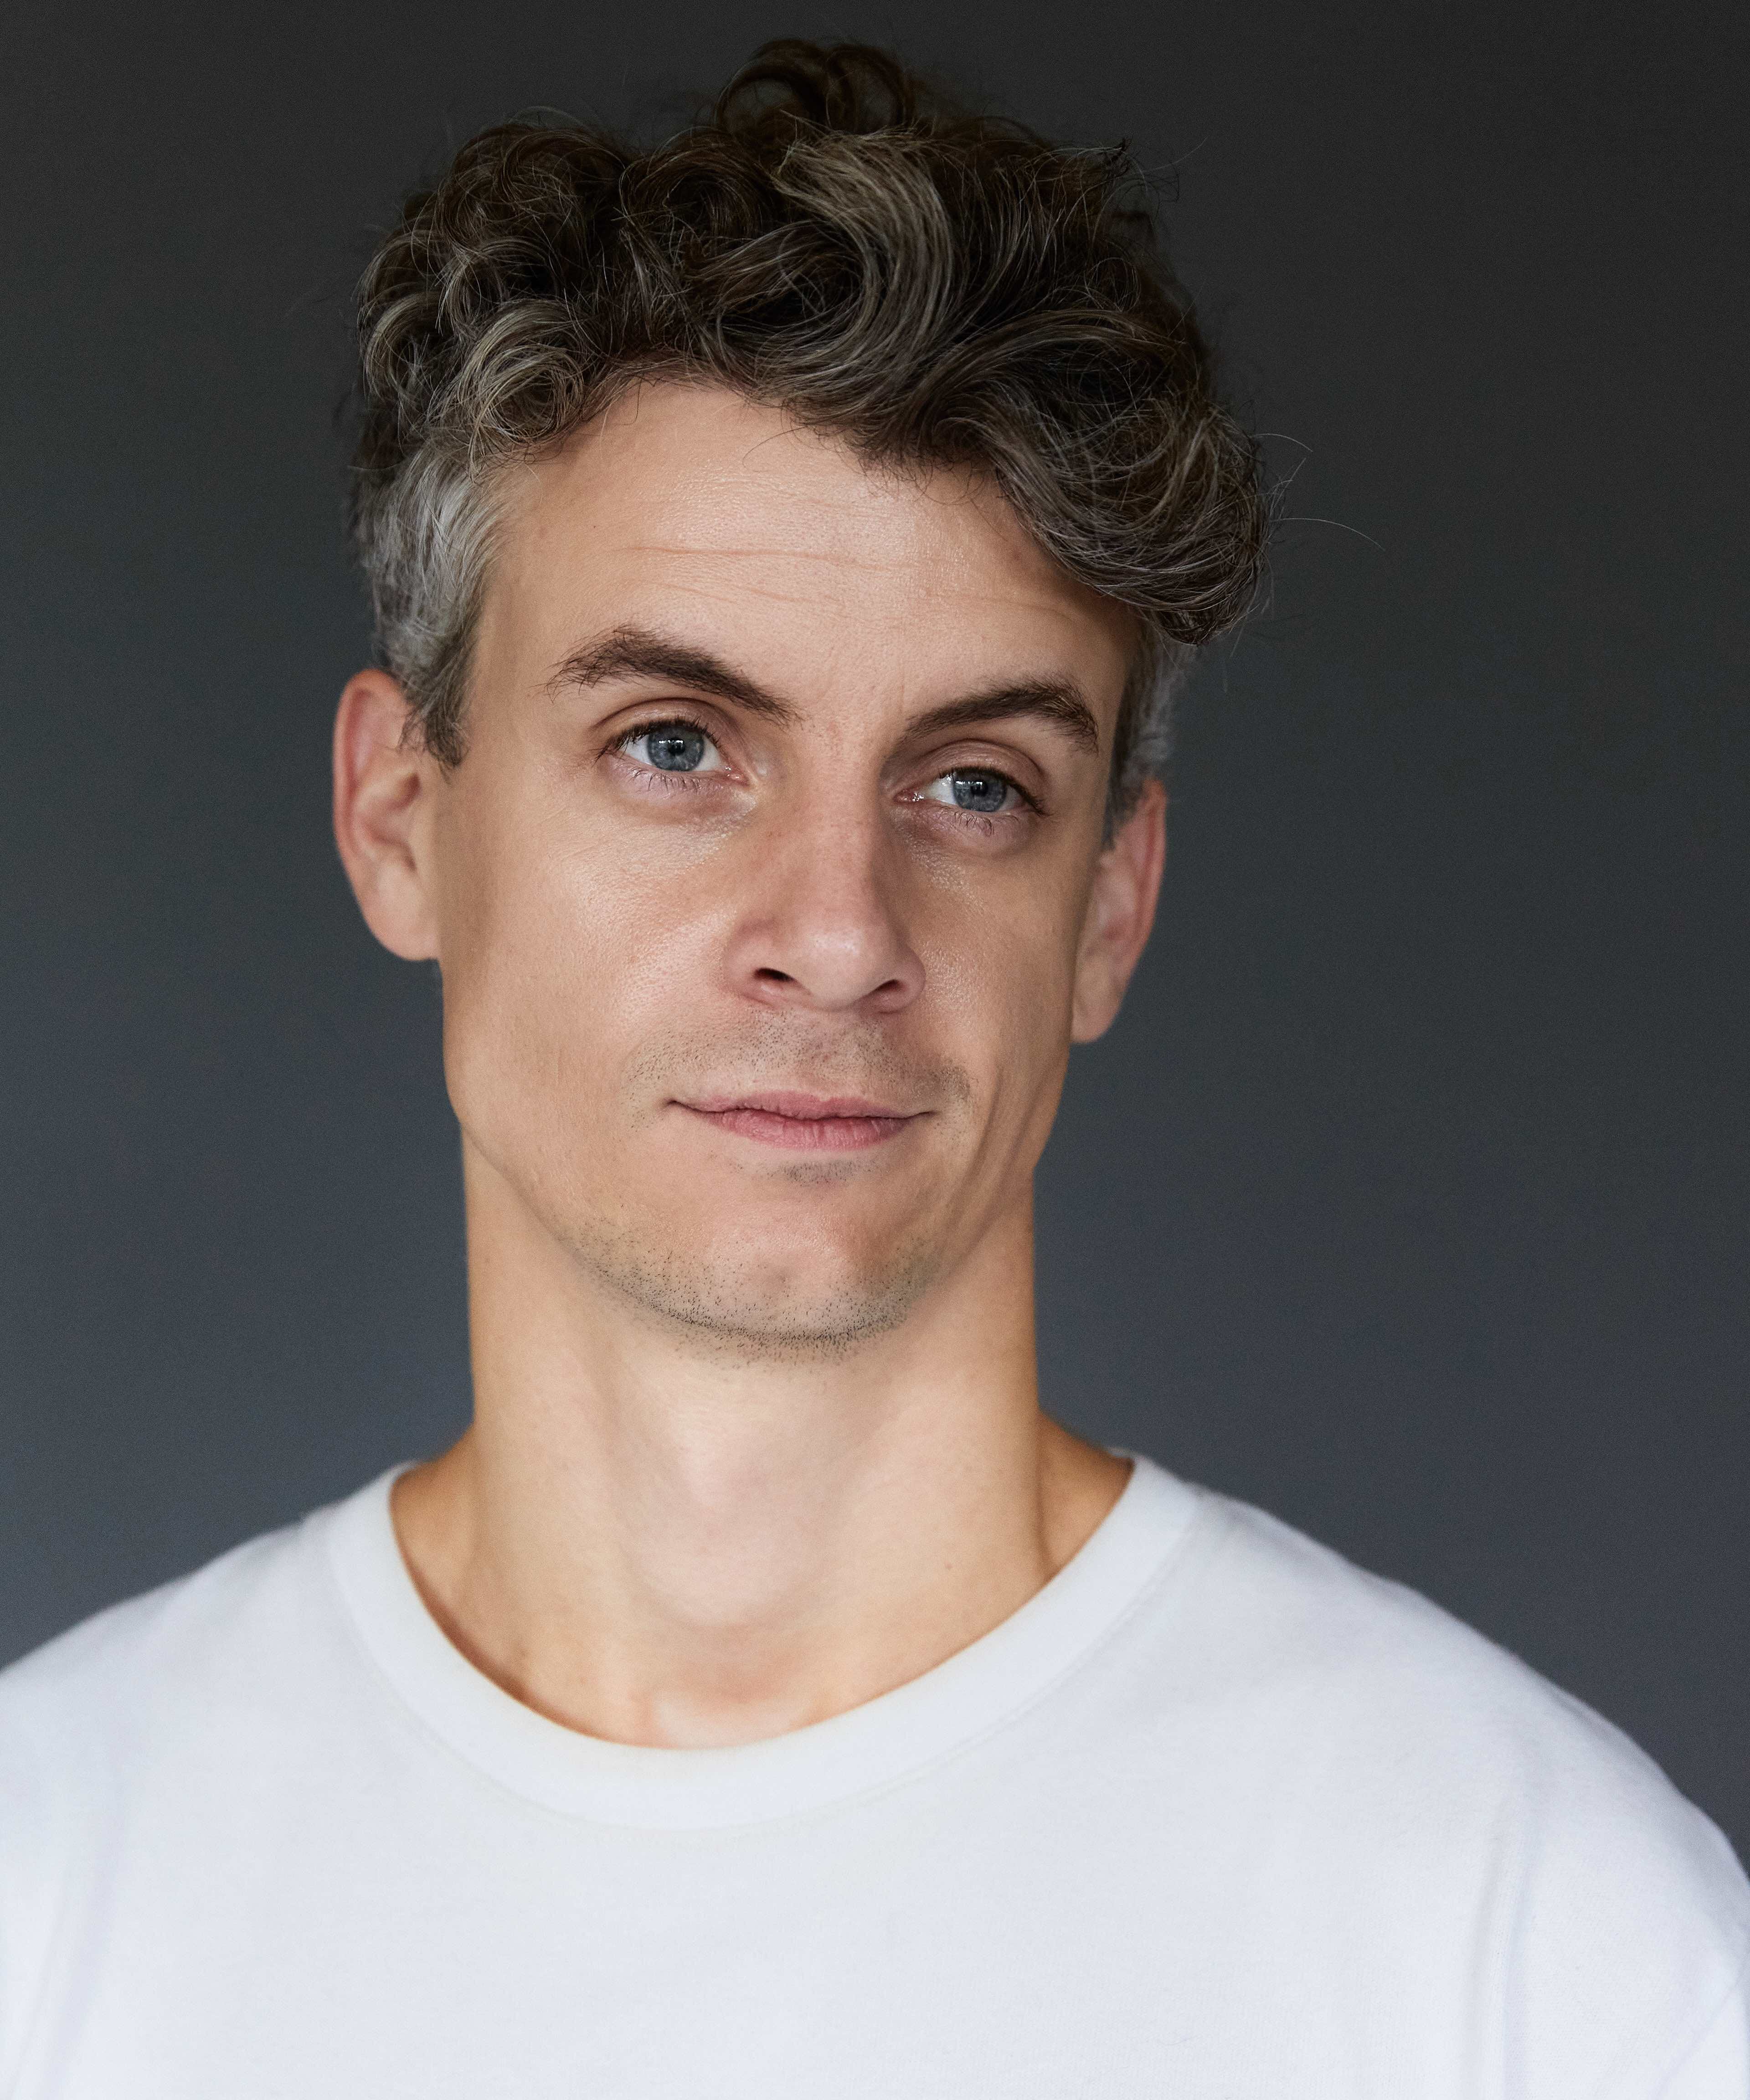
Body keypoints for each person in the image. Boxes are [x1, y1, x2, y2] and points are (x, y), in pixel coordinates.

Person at [0, 38, 1743, 2099]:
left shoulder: (1536, 1942)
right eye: (675, 746)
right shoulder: (54, 1877)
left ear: (1112, 907)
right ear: (400, 819)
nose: (839, 932)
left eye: (976, 784)